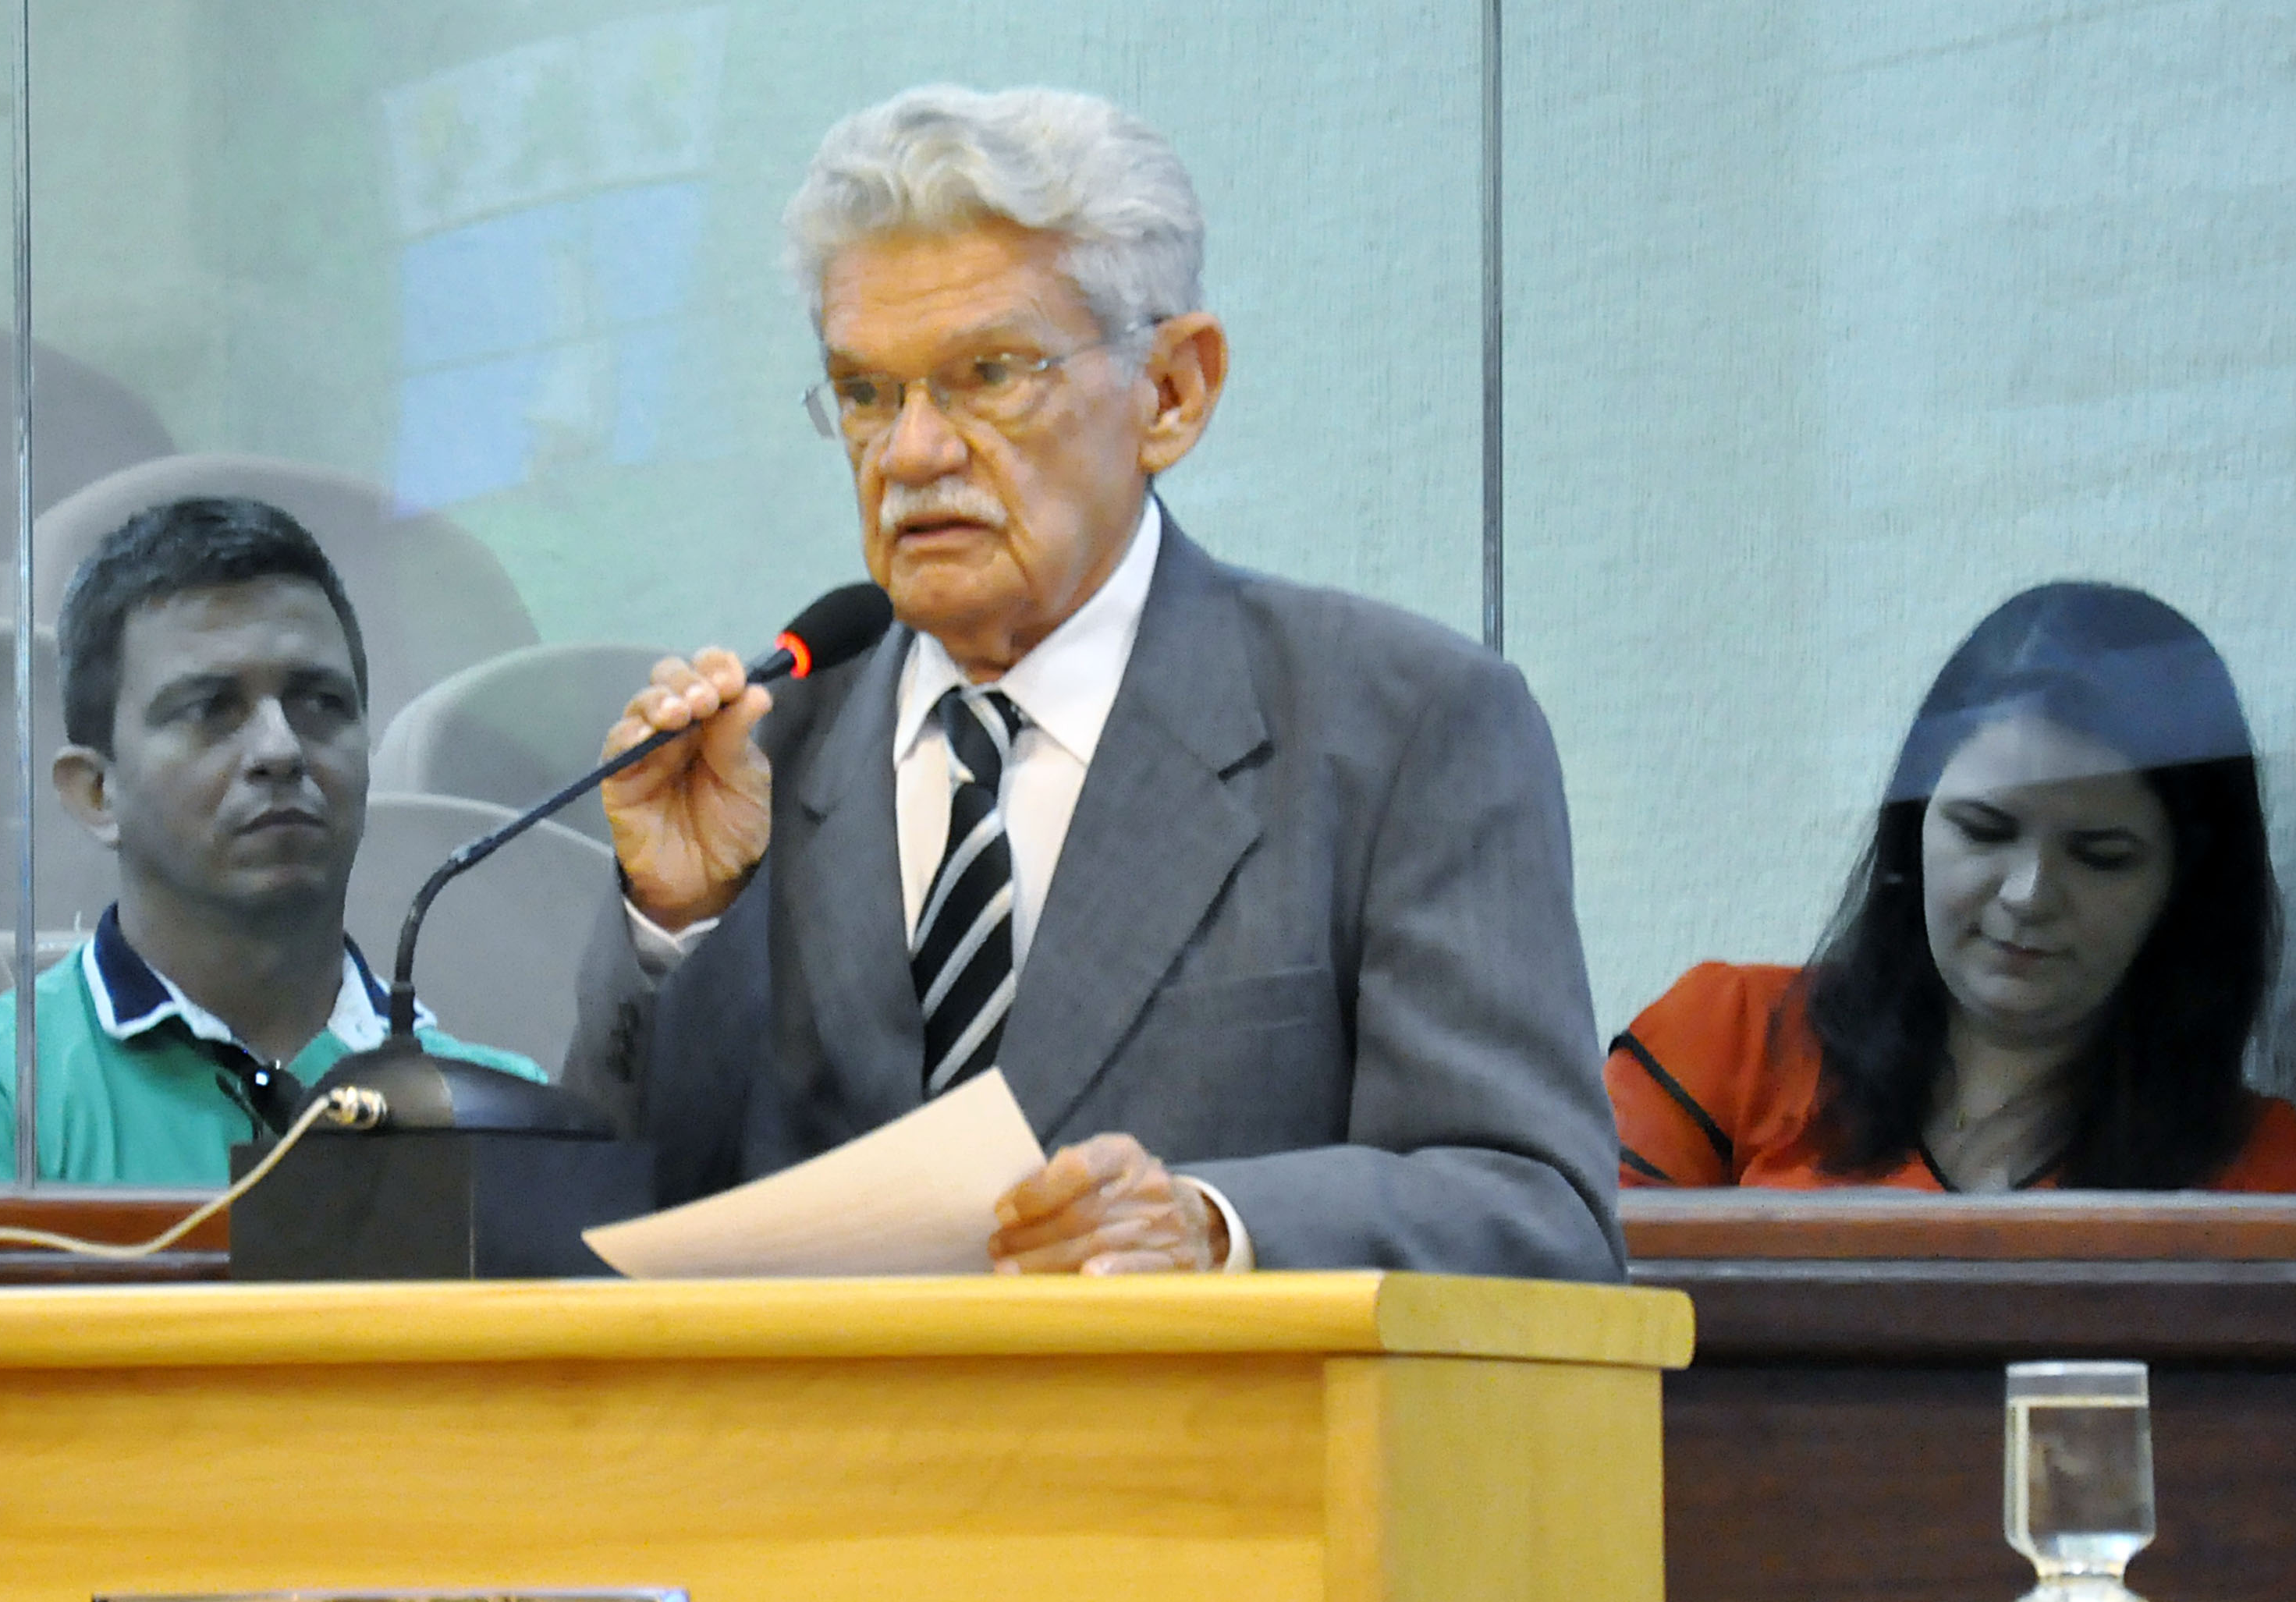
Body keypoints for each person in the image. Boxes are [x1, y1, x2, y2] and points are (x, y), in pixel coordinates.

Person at [566, 86, 1622, 1279]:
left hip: (1211, 1453)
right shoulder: (765, 758)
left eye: (991, 373)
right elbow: (591, 1238)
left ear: (1173, 392)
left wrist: (1216, 1227)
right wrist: (674, 927)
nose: (912, 451)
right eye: (865, 392)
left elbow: (1537, 1214)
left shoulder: (1397, 725)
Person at [0, 497, 542, 1186]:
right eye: (211, 709)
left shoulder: (506, 1114)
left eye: (319, 703)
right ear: (96, 792)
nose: (281, 749)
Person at [1611, 582, 2296, 1194]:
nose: (2029, 894)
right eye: (1985, 831)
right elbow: (1552, 1313)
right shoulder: (1725, 1043)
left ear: (2183, 887)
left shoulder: (2264, 1178)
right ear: (1915, 827)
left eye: (2101, 856)